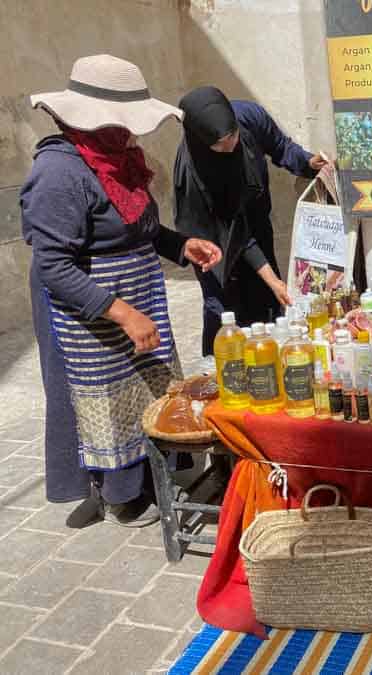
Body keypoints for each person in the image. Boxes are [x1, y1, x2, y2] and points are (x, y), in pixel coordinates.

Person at [21, 55, 222, 527]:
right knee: (103, 398)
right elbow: (54, 265)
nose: (134, 135)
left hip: (136, 294)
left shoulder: (119, 161)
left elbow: (139, 227)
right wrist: (122, 314)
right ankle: (116, 490)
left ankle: (151, 474)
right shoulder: (59, 173)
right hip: (86, 310)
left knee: (145, 387)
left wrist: (179, 244)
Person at [173, 86, 326, 355]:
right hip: (214, 244)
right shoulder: (195, 174)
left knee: (267, 306)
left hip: (255, 223)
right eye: (219, 144)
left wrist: (307, 162)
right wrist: (272, 279)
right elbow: (233, 232)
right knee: (224, 315)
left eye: (232, 136)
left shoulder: (247, 116)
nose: (230, 145)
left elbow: (280, 146)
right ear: (202, 141)